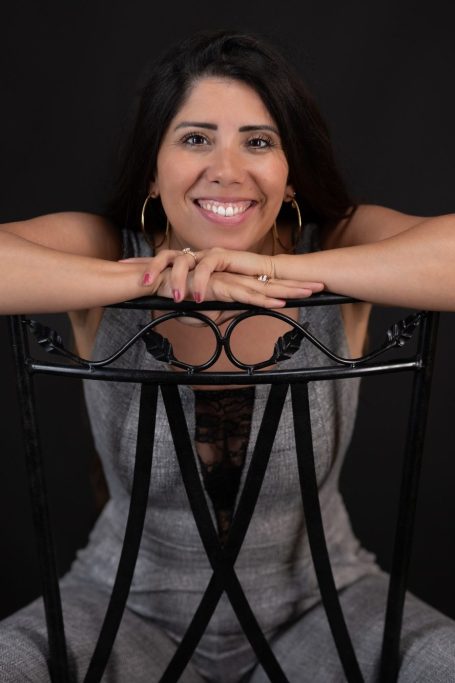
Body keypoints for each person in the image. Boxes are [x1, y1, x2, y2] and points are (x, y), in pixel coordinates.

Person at [1, 27, 454, 683]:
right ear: (153, 169)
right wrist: (154, 276)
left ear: (289, 174)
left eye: (258, 142)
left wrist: (273, 272)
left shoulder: (336, 242)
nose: (228, 169)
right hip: (121, 606)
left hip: (324, 604)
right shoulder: (107, 246)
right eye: (195, 139)